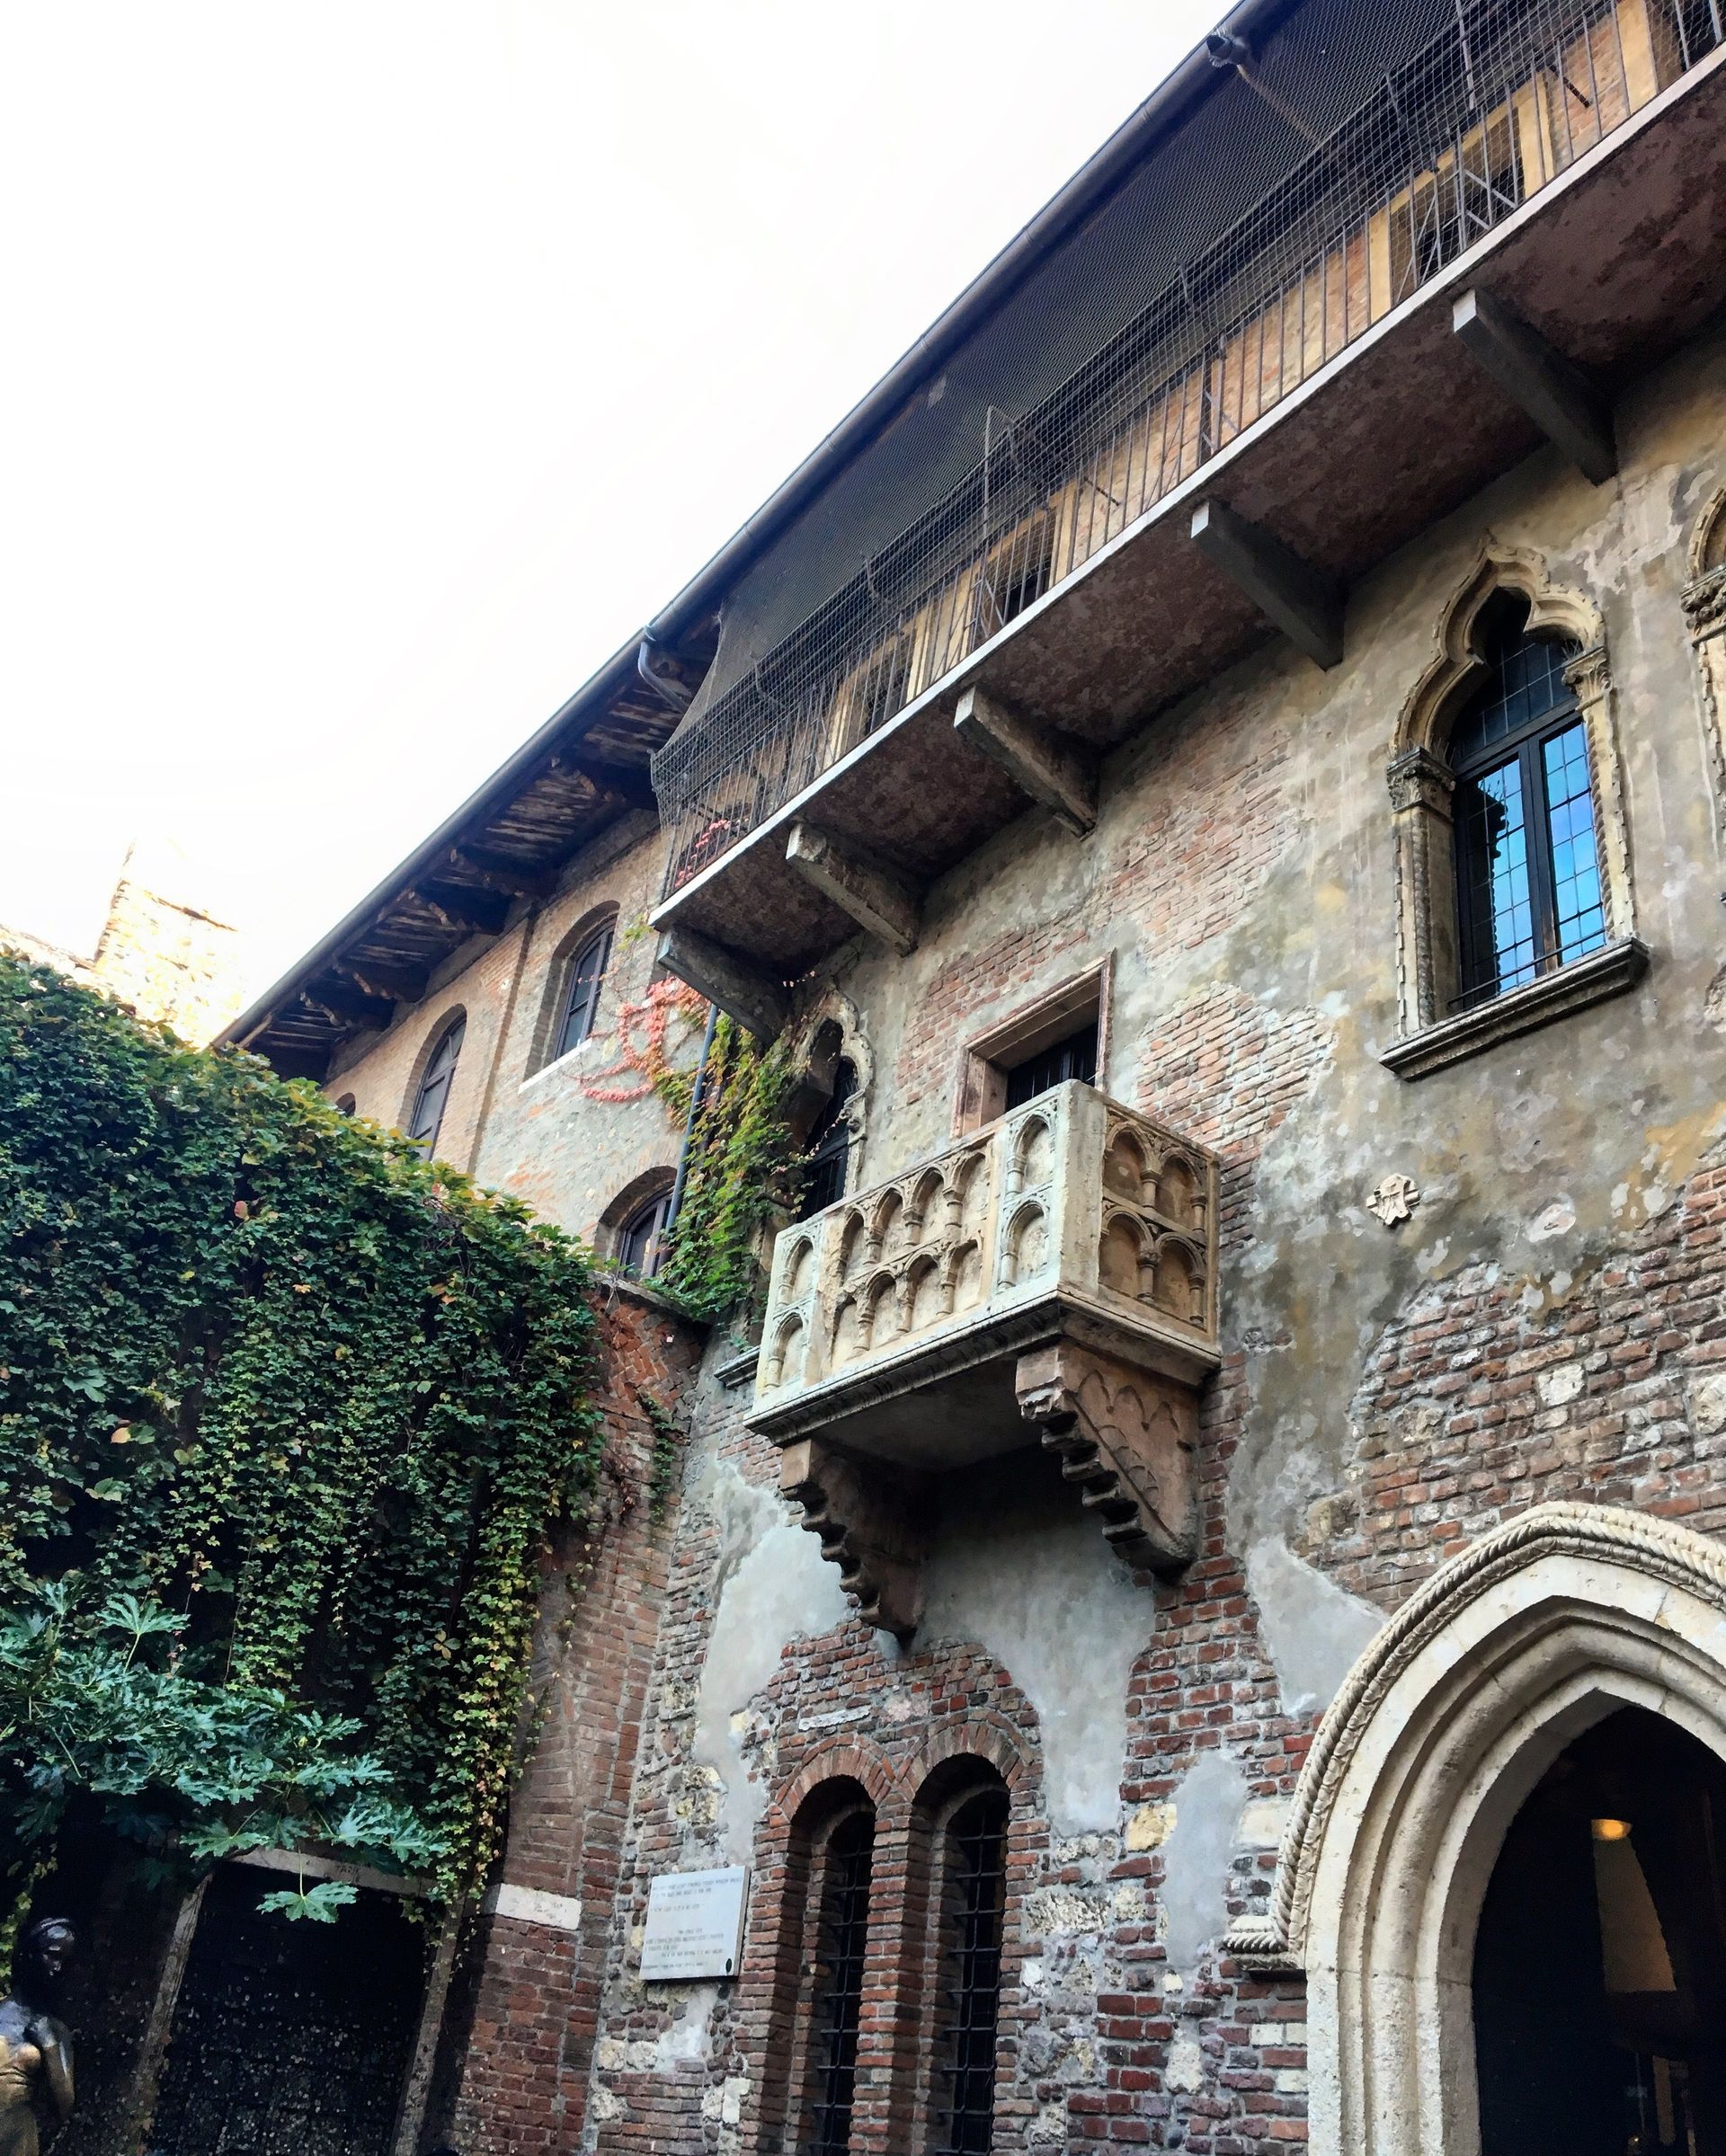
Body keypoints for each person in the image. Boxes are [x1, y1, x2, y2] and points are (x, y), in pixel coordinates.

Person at [0, 1920, 76, 2156]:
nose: (58, 1968)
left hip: (16, 2138)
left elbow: (65, 2105)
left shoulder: (54, 2030)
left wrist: (49, 2045)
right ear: (29, 1954)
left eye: (65, 1961)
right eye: (53, 1956)